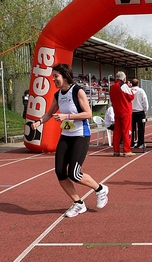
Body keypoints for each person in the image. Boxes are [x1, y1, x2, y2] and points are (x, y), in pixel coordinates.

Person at [31, 63, 109, 218]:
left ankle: (100, 189)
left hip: (81, 135)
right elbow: (48, 114)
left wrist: (66, 116)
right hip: (66, 135)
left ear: (65, 76)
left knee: (74, 173)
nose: (53, 80)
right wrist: (38, 122)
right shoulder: (58, 95)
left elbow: (87, 113)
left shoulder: (77, 91)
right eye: (53, 77)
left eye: (56, 76)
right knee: (60, 172)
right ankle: (78, 203)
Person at [109, 71, 135, 157]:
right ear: (124, 78)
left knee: (117, 132)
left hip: (117, 111)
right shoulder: (123, 85)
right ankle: (126, 150)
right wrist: (130, 88)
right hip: (125, 111)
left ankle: (116, 150)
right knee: (127, 131)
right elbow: (131, 96)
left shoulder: (112, 87)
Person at [131, 78, 149, 149]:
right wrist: (145, 109)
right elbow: (145, 100)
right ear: (138, 84)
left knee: (131, 129)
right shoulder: (141, 91)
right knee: (141, 129)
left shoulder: (129, 90)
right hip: (140, 112)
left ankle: (131, 142)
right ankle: (140, 143)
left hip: (131, 112)